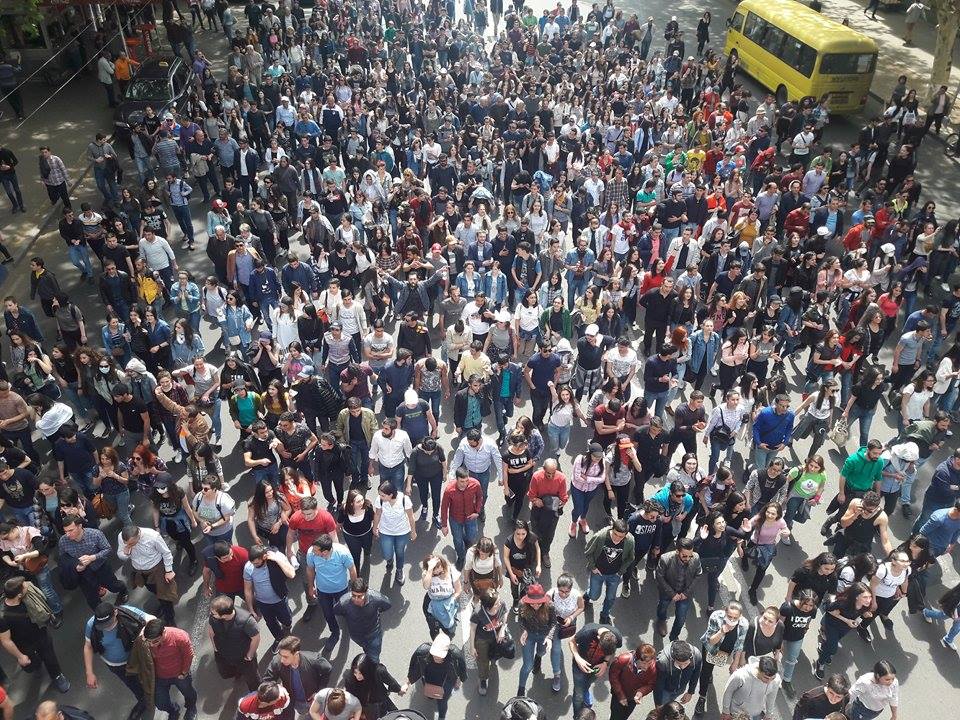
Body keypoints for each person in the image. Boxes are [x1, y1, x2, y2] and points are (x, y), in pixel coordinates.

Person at [0, 576, 70, 693]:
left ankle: (57, 676)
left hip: (40, 634)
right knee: (30, 664)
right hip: (23, 644)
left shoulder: (28, 598)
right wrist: (20, 656)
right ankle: (36, 665)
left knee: (50, 657)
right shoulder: (3, 616)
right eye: (24, 586)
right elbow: (6, 640)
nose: (27, 585)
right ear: (19, 595)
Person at [304, 533, 357, 652]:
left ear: (325, 552)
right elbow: (310, 569)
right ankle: (335, 632)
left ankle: (349, 624)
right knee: (328, 614)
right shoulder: (311, 553)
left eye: (316, 550)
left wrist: (354, 590)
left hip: (341, 590)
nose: (313, 551)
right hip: (323, 591)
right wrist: (311, 587)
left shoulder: (342, 553)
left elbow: (352, 569)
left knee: (345, 610)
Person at [116, 524, 178, 626]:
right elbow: (120, 554)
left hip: (157, 570)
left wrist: (168, 571)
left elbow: (166, 553)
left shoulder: (153, 536)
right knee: (153, 590)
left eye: (132, 543)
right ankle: (162, 603)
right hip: (141, 572)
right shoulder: (122, 537)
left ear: (138, 536)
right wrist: (126, 553)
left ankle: (170, 619)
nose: (129, 545)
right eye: (126, 543)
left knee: (165, 596)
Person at [264, 635, 333, 717]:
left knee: (318, 713)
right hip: (295, 701)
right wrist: (277, 689)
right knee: (303, 712)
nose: (281, 660)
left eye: (285, 657)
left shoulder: (313, 659)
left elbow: (328, 669)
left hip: (313, 699)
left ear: (296, 654)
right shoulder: (277, 662)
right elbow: (267, 681)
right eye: (280, 655)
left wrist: (319, 691)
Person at [143, 618, 197, 720]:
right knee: (160, 703)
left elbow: (188, 655)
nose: (151, 645)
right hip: (160, 676)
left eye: (155, 641)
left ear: (163, 632)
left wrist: (184, 672)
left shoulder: (180, 637)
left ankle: (191, 708)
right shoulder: (146, 640)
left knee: (188, 693)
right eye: (148, 641)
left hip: (179, 674)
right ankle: (173, 710)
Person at [405, 633, 467, 720]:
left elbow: (462, 668)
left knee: (442, 702)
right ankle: (430, 696)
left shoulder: (455, 655)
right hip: (428, 678)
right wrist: (407, 683)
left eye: (440, 655)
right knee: (429, 694)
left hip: (447, 681)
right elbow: (413, 666)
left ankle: (441, 717)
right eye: (435, 653)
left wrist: (459, 679)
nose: (437, 656)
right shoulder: (422, 652)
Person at [242, 544, 295, 646]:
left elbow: (291, 574)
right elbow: (248, 590)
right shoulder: (249, 567)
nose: (254, 565)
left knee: (286, 620)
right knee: (270, 623)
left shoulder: (277, 557)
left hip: (279, 599)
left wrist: (277, 560)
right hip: (263, 603)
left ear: (264, 557)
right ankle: (279, 638)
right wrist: (251, 609)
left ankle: (287, 627)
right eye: (252, 563)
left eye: (257, 563)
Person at [584, 519, 635, 625]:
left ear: (626, 535)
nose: (617, 538)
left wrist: (621, 571)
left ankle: (605, 615)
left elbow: (630, 558)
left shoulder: (630, 541)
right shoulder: (600, 537)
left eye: (621, 536)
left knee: (611, 598)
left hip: (615, 575)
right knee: (594, 596)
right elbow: (588, 551)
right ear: (612, 529)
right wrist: (593, 567)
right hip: (598, 573)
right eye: (615, 534)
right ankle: (587, 596)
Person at [568, 622, 623, 717]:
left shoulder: (617, 637)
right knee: (578, 695)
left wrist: (605, 662)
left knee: (586, 685)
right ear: (598, 638)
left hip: (596, 668)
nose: (603, 653)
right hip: (580, 667)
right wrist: (578, 658)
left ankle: (585, 691)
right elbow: (571, 641)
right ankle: (578, 716)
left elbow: (611, 652)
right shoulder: (587, 632)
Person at [207, 594, 260, 692]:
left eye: (214, 614)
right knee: (226, 673)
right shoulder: (214, 617)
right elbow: (211, 630)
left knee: (253, 680)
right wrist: (215, 647)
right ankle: (237, 673)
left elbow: (255, 638)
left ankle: (255, 695)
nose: (211, 614)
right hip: (224, 653)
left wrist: (250, 655)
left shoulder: (247, 621)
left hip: (243, 656)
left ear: (224, 615)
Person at [333, 577, 392, 663]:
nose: (356, 599)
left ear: (366, 592)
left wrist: (377, 612)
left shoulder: (376, 598)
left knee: (374, 660)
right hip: (356, 635)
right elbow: (337, 611)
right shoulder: (344, 602)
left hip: (373, 635)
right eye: (353, 595)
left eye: (360, 596)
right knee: (367, 650)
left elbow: (387, 604)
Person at [656, 538, 702, 640]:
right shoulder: (665, 559)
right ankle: (661, 620)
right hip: (668, 591)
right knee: (662, 608)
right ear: (677, 551)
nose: (688, 558)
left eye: (690, 555)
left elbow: (698, 574)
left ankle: (674, 637)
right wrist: (672, 594)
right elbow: (660, 576)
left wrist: (686, 593)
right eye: (684, 556)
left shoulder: (696, 557)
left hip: (685, 593)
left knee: (681, 619)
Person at [720, 655, 781, 720]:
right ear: (758, 670)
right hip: (737, 713)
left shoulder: (776, 680)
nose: (769, 682)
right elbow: (728, 692)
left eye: (772, 678)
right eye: (766, 678)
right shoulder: (740, 676)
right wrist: (726, 712)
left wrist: (768, 714)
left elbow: (771, 698)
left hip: (757, 714)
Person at [608, 643, 656, 720]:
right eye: (644, 663)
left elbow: (651, 684)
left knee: (625, 716)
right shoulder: (623, 660)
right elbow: (613, 677)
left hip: (633, 698)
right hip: (618, 695)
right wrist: (621, 695)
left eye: (649, 663)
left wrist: (641, 692)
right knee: (615, 715)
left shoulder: (653, 668)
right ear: (637, 658)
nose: (646, 667)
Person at [653, 640, 701, 708]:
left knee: (671, 703)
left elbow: (696, 675)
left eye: (686, 663)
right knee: (664, 709)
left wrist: (690, 692)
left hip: (681, 688)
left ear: (691, 658)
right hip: (665, 690)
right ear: (673, 658)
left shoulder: (697, 656)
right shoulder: (663, 662)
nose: (683, 667)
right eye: (679, 664)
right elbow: (659, 684)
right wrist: (658, 703)